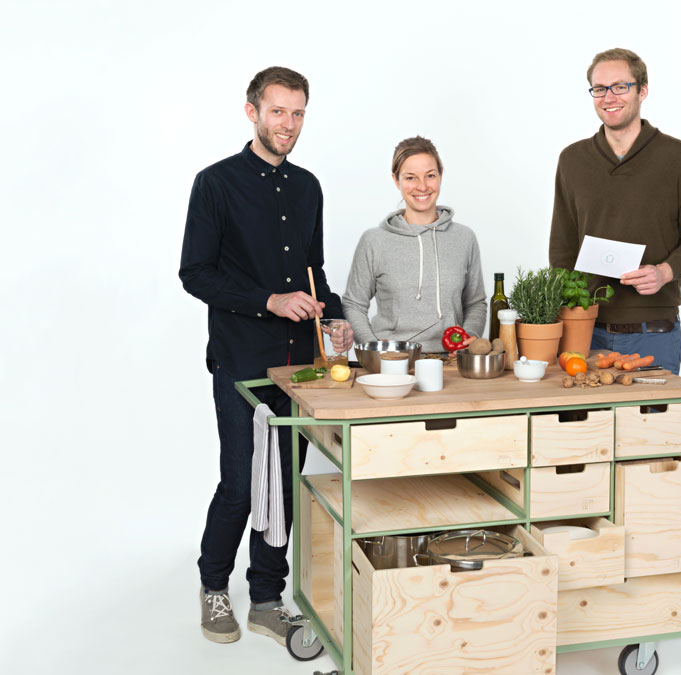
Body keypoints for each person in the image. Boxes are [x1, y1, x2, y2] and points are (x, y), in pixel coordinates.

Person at [179, 66, 348, 647]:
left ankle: (268, 599)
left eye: (298, 113)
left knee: (284, 482)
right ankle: (213, 586)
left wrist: (338, 316)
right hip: (241, 362)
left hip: (301, 365)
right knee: (241, 483)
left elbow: (314, 272)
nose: (289, 124)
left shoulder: (308, 187)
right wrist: (268, 301)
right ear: (252, 111)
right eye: (278, 111)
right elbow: (194, 274)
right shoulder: (215, 183)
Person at [549, 48, 681, 374]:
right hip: (587, 334)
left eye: (620, 86)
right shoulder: (572, 160)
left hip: (653, 336)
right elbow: (562, 248)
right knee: (585, 428)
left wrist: (665, 271)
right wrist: (566, 320)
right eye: (599, 88)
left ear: (643, 90)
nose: (608, 97)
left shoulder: (680, 158)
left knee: (653, 426)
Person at [343, 136, 487, 352]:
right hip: (392, 360)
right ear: (396, 180)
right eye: (411, 178)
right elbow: (354, 304)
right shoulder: (374, 240)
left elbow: (475, 303)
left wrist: (469, 338)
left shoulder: (464, 238)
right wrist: (373, 348)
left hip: (452, 361)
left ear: (440, 176)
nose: (422, 186)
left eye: (430, 175)